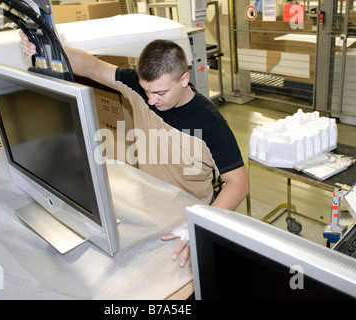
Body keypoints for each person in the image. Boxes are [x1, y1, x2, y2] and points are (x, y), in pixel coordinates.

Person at [20, 32, 250, 267]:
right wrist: (48, 48)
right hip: (149, 205)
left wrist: (199, 226)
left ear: (183, 79)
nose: (151, 100)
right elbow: (94, 68)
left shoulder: (210, 123)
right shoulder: (140, 88)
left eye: (160, 93)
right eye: (146, 91)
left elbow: (239, 183)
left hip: (187, 215)